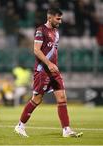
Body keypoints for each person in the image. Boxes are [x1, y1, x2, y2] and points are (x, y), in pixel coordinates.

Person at [14, 8, 83, 138]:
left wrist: (54, 65)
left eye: (61, 19)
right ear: (49, 17)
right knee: (37, 99)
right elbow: (36, 50)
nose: (60, 21)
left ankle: (66, 130)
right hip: (43, 70)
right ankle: (20, 126)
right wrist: (49, 64)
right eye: (58, 19)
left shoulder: (56, 32)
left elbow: (53, 51)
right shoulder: (41, 31)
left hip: (53, 70)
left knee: (62, 98)